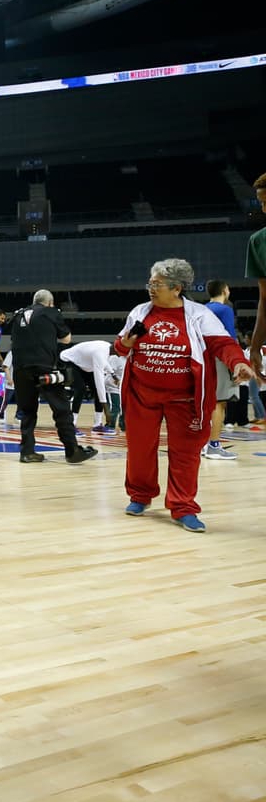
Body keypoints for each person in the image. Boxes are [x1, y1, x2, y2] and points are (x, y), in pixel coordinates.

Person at [115, 259, 252, 532]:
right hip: (143, 395)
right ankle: (140, 496)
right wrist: (125, 342)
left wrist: (237, 362)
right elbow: (120, 347)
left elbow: (224, 343)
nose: (151, 288)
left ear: (177, 288)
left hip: (186, 399)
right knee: (140, 449)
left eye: (157, 284)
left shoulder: (199, 315)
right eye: (150, 283)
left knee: (186, 453)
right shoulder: (140, 312)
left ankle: (183, 506)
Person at [10, 290, 98, 464]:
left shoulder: (18, 315)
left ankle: (27, 452)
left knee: (27, 411)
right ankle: (72, 451)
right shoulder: (51, 312)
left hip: (20, 367)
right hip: (44, 366)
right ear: (50, 303)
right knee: (62, 409)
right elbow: (66, 339)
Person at [201, 280, 239, 458]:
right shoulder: (225, 310)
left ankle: (203, 444)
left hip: (202, 358)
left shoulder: (202, 309)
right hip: (220, 358)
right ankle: (214, 446)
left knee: (206, 403)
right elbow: (229, 339)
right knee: (219, 402)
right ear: (225, 290)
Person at [58, 339, 114, 433]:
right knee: (80, 389)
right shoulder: (100, 352)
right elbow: (99, 381)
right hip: (69, 360)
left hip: (84, 364)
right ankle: (71, 424)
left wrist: (113, 373)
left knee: (97, 391)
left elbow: (103, 362)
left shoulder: (108, 347)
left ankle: (97, 425)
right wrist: (106, 409)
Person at [248, 172, 266, 383]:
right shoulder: (258, 242)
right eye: (262, 203)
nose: (264, 209)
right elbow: (265, 298)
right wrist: (254, 347)